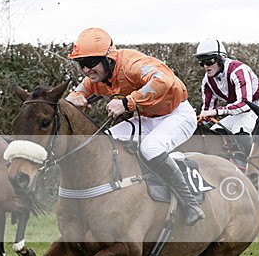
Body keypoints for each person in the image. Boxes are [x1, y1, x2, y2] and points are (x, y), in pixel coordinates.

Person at [66, 27, 204, 226]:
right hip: (146, 118)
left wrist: (126, 103)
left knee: (151, 148)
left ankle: (190, 204)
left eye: (90, 62)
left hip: (176, 114)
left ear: (108, 59)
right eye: (81, 64)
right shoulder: (94, 79)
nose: (87, 70)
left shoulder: (132, 64)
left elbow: (164, 80)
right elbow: (74, 95)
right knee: (104, 142)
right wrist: (76, 98)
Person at [194, 39, 259, 167]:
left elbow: (245, 104)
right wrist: (196, 122)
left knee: (240, 130)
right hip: (239, 109)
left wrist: (217, 111)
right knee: (215, 131)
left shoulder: (239, 71)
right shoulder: (207, 82)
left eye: (209, 61)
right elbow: (207, 111)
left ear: (221, 59)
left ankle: (256, 167)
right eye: (201, 63)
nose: (206, 66)